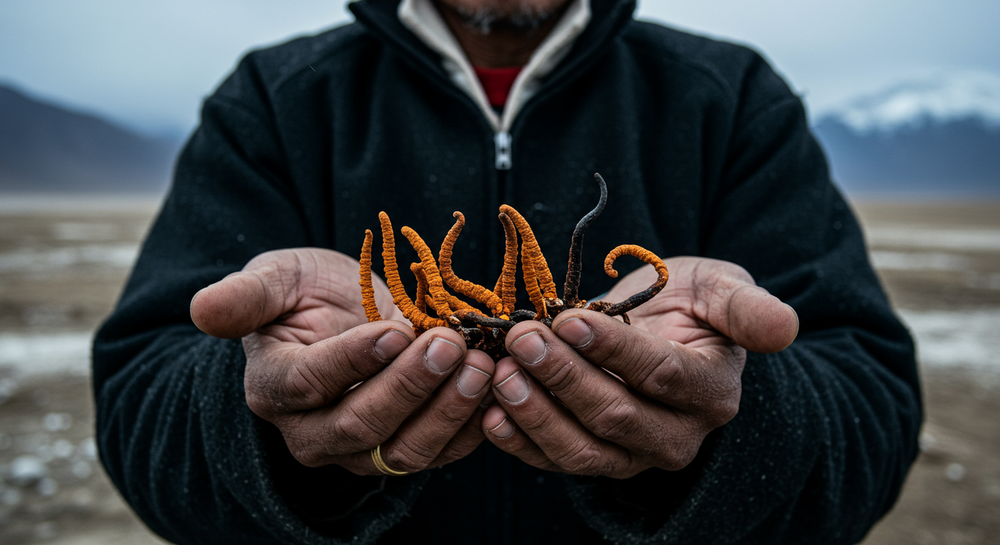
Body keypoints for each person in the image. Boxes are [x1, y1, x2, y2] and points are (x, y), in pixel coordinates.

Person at [92, 0, 922, 543]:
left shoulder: (732, 99)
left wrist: (724, 419)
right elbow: (139, 408)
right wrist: (263, 419)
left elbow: (870, 411)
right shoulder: (274, 102)